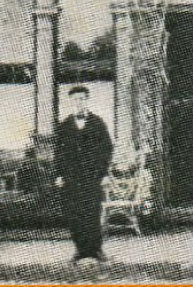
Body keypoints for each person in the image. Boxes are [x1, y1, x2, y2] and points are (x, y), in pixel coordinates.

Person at [54, 84, 113, 264]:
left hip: (92, 176)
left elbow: (106, 149)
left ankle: (96, 250)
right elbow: (58, 153)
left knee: (92, 212)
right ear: (70, 102)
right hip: (72, 178)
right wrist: (59, 174)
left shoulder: (98, 123)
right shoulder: (64, 126)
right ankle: (80, 250)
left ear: (87, 100)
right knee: (75, 214)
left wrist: (104, 173)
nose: (79, 102)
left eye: (82, 99)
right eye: (75, 99)